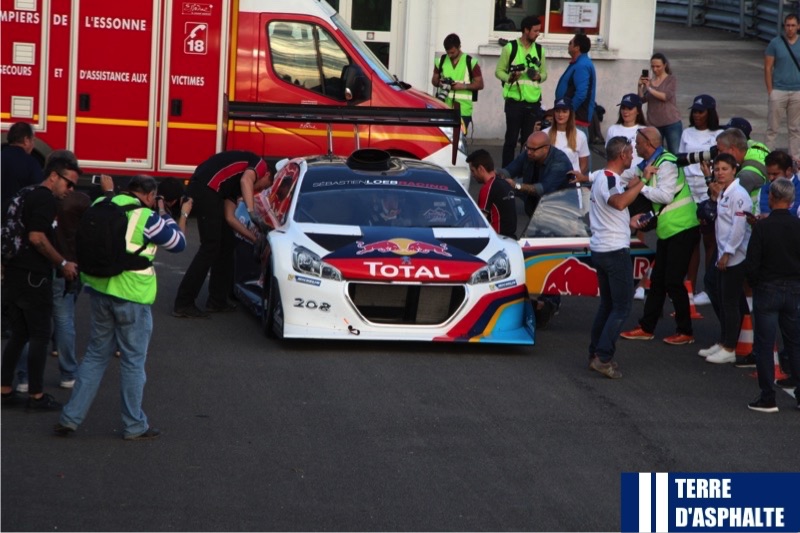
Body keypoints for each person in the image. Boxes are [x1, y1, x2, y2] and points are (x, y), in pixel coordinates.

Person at [55, 175, 188, 439]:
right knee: (133, 362)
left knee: (94, 355)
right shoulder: (145, 217)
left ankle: (70, 417)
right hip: (133, 296)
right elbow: (178, 243)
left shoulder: (102, 204)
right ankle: (134, 424)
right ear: (150, 196)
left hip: (100, 289)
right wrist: (169, 213)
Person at [0, 155, 80, 410]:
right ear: (54, 176)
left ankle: (5, 389)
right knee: (40, 335)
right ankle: (36, 395)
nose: (71, 190)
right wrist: (62, 263)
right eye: (69, 184)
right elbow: (37, 238)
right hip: (33, 275)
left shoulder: (25, 193)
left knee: (19, 333)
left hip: (13, 271)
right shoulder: (45, 198)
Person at [620, 127, 700, 345]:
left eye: (637, 142)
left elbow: (664, 195)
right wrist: (588, 176)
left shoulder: (666, 163)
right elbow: (623, 175)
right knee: (657, 282)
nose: (635, 146)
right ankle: (647, 327)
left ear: (649, 143)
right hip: (669, 229)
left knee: (673, 281)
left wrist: (640, 186)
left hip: (683, 228)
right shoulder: (648, 163)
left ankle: (686, 331)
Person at [173, 151, 271, 318]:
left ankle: (217, 301)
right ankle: (184, 302)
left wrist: (255, 239)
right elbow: (246, 180)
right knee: (210, 247)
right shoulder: (259, 164)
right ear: (266, 175)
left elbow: (229, 218)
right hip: (206, 189)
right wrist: (252, 214)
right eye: (262, 186)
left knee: (227, 243)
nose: (258, 190)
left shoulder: (231, 186)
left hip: (210, 190)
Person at [587, 137, 644, 379]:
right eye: (630, 153)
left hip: (601, 248)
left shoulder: (603, 177)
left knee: (608, 305)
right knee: (621, 307)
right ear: (622, 154)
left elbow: (613, 209)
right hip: (613, 251)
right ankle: (603, 357)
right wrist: (644, 182)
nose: (633, 157)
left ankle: (595, 354)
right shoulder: (609, 178)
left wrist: (628, 222)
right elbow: (618, 202)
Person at [744, 178, 800, 412]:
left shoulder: (762, 227)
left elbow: (752, 264)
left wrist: (756, 283)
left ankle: (768, 397)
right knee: (795, 342)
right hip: (794, 289)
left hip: (767, 288)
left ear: (772, 198)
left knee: (765, 344)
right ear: (792, 200)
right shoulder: (798, 225)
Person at [697, 153, 752, 364]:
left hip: (735, 257)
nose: (719, 173)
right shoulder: (724, 193)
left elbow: (738, 229)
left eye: (724, 169)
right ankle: (724, 342)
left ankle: (730, 348)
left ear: (734, 170)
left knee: (729, 304)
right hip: (724, 254)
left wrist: (728, 253)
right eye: (717, 169)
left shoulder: (738, 195)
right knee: (722, 299)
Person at [679, 94, 723, 306]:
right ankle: (690, 287)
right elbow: (681, 160)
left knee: (710, 241)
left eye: (701, 111)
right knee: (692, 240)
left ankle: (709, 287)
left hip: (709, 188)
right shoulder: (686, 132)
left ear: (710, 113)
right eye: (694, 111)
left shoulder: (718, 133)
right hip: (689, 190)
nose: (696, 115)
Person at [495, 16, 547, 167]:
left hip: (533, 101)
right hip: (514, 101)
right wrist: (509, 78)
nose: (538, 34)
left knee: (529, 142)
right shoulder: (510, 48)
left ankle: (526, 173)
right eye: (536, 31)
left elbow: (545, 74)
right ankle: (507, 172)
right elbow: (499, 71)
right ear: (526, 30)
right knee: (511, 140)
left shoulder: (539, 50)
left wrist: (539, 76)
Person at [499, 130, 573, 218]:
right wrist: (493, 174)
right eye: (527, 147)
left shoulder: (560, 162)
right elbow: (509, 171)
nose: (529, 152)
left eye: (533, 149)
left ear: (546, 148)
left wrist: (516, 186)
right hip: (537, 208)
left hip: (559, 212)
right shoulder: (529, 154)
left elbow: (543, 189)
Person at [431, 33, 484, 132]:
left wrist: (462, 86)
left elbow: (480, 84)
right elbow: (434, 81)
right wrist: (441, 83)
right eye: (448, 52)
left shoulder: (470, 62)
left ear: (459, 47)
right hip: (444, 108)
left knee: (459, 140)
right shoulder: (441, 61)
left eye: (452, 52)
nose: (450, 55)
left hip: (463, 110)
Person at [764, 14, 800, 159]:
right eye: (787, 25)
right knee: (772, 128)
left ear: (798, 26)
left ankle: (795, 159)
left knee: (795, 128)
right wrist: (770, 91)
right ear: (784, 26)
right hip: (778, 90)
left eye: (793, 25)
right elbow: (767, 67)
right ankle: (768, 156)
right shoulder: (775, 43)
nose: (790, 29)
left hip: (797, 90)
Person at [466, 149, 517, 238]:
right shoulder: (505, 183)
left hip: (497, 239)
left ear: (481, 169)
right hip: (511, 238)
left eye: (473, 171)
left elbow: (480, 222)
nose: (472, 175)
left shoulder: (487, 188)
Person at [555, 33, 596, 140]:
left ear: (577, 47)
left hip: (576, 120)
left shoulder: (582, 65)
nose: (568, 45)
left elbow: (581, 94)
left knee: (577, 151)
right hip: (573, 118)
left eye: (570, 43)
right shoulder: (579, 63)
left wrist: (568, 112)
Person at [714, 127, 769, 210]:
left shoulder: (745, 176)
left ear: (732, 149)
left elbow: (726, 205)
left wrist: (708, 177)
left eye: (721, 151)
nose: (718, 155)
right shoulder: (757, 147)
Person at [638, 53, 683, 153]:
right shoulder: (650, 81)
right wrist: (640, 87)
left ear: (665, 65)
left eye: (658, 66)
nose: (655, 69)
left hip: (671, 122)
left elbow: (665, 96)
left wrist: (649, 88)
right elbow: (642, 100)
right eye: (653, 66)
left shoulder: (671, 79)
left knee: (674, 153)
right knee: (656, 153)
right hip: (653, 123)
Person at [1, 122, 43, 214]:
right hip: (14, 217)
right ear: (26, 140)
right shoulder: (31, 163)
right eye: (33, 140)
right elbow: (38, 193)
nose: (33, 144)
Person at [542, 97, 590, 176]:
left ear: (570, 113)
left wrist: (577, 177)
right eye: (557, 111)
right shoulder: (544, 134)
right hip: (550, 180)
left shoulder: (580, 135)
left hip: (572, 180)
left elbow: (584, 163)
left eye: (564, 111)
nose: (560, 115)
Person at [606, 93, 647, 185]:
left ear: (638, 111)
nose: (625, 111)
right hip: (617, 177)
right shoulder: (612, 129)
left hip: (637, 177)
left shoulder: (644, 130)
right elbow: (609, 156)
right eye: (623, 108)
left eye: (630, 108)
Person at [761, 150, 800, 215]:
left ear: (788, 170)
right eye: (768, 174)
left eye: (775, 174)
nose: (771, 178)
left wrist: (771, 219)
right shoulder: (763, 190)